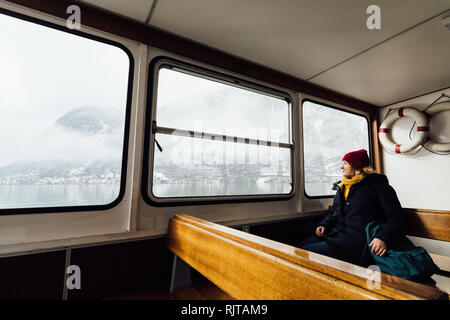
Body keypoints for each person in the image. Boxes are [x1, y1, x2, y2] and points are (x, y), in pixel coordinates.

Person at [299, 149, 405, 266]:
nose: (341, 167)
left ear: (357, 166)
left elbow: (397, 218)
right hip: (335, 235)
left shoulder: (379, 187)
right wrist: (324, 224)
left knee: (303, 253)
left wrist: (383, 237)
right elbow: (334, 212)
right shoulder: (342, 187)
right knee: (297, 248)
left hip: (357, 242)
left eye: (345, 163)